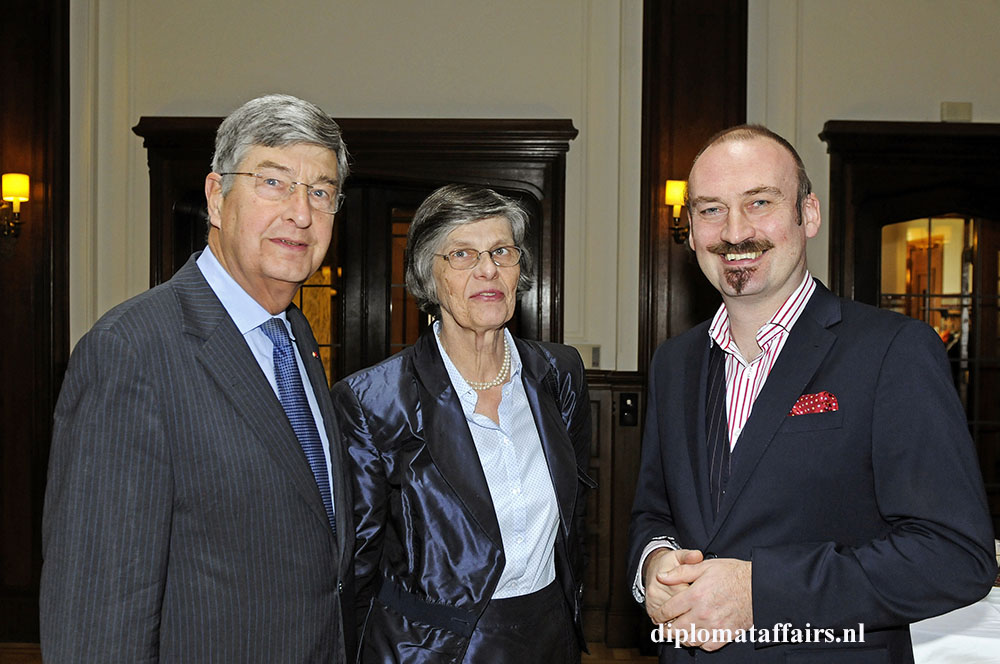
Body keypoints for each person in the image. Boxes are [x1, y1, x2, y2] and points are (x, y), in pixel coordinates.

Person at [627, 124, 997, 662]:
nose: (734, 232)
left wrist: (761, 593)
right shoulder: (673, 363)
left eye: (759, 202)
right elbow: (653, 513)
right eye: (710, 210)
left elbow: (955, 557)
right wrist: (653, 564)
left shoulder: (892, 351)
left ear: (809, 214)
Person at [40, 94, 355, 663]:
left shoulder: (296, 339)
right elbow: (96, 613)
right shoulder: (131, 352)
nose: (302, 213)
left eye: (321, 191)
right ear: (217, 197)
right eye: (274, 182)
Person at [331, 184, 594, 663]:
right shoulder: (373, 401)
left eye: (501, 251)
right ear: (429, 278)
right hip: (432, 651)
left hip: (550, 639)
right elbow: (358, 566)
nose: (488, 269)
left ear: (520, 270)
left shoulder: (559, 374)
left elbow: (576, 520)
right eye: (463, 254)